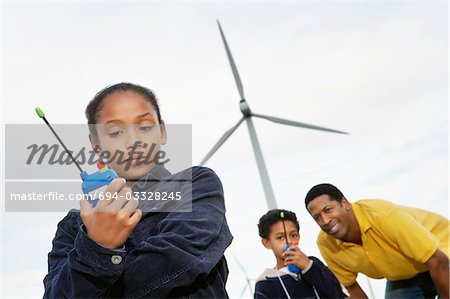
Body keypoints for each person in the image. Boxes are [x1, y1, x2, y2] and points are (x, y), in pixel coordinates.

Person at [43, 82, 233, 298]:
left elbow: (176, 259)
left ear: (162, 132)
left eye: (144, 127)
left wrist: (98, 251)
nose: (133, 142)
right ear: (96, 144)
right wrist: (97, 243)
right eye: (115, 132)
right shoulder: (72, 227)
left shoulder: (195, 184)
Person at [305, 183, 449, 299]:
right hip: (405, 274)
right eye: (317, 217)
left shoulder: (383, 215)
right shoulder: (326, 244)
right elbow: (352, 288)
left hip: (442, 255)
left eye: (328, 210)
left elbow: (437, 260)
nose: (325, 220)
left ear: (345, 203)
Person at [254, 209, 346, 299]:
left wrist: (309, 267)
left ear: (299, 236)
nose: (289, 241)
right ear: (267, 243)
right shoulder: (265, 284)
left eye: (293, 235)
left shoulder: (314, 264)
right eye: (280, 237)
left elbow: (338, 294)